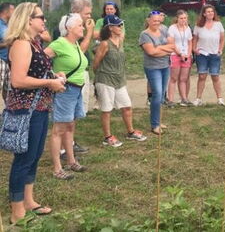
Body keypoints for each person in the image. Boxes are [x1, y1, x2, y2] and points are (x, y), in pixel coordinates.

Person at [4, 2, 65, 224]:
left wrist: (53, 74)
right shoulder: (21, 44)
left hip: (39, 107)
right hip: (25, 110)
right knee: (24, 158)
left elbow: (35, 71)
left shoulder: (35, 43)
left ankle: (29, 201)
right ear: (28, 20)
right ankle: (17, 211)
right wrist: (49, 82)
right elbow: (18, 80)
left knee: (35, 155)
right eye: (41, 17)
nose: (45, 20)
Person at [45, 13, 89, 180]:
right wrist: (53, 75)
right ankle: (57, 168)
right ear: (69, 28)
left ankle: (71, 161)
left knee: (70, 126)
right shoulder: (60, 43)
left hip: (76, 90)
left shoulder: (75, 43)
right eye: (80, 25)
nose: (82, 27)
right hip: (65, 91)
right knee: (59, 129)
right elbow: (40, 59)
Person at [93, 15, 146, 146]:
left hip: (119, 80)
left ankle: (130, 132)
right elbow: (96, 64)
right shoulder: (105, 44)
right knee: (107, 109)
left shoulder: (120, 40)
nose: (121, 27)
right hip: (105, 79)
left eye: (121, 25)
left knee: (127, 106)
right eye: (118, 25)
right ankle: (108, 137)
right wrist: (101, 77)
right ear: (110, 28)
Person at [139, 10, 177, 135]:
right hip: (152, 67)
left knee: (161, 95)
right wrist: (164, 49)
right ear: (148, 21)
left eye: (158, 21)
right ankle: (154, 124)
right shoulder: (144, 35)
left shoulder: (164, 29)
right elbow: (151, 52)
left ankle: (158, 120)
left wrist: (159, 48)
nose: (156, 23)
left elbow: (172, 46)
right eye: (154, 21)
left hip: (165, 65)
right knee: (157, 94)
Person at [192, 5, 225, 106]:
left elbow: (222, 39)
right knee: (202, 76)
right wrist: (194, 49)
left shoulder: (218, 24)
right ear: (204, 14)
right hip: (202, 54)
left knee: (215, 76)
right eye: (208, 12)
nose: (210, 13)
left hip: (214, 54)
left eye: (212, 11)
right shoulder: (198, 25)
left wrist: (220, 49)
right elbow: (195, 39)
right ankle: (198, 98)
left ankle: (220, 98)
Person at [167, 9, 193, 106]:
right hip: (175, 55)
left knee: (183, 78)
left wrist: (188, 54)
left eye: (185, 18)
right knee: (174, 78)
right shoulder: (172, 28)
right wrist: (180, 54)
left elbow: (190, 42)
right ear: (177, 18)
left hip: (186, 56)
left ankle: (184, 98)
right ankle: (171, 100)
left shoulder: (188, 28)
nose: (183, 20)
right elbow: (171, 43)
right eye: (181, 18)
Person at [0, 2, 15, 102]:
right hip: (0, 61)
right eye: (13, 10)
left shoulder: (7, 25)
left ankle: (6, 113)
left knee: (8, 90)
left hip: (7, 62)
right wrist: (7, 44)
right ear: (6, 12)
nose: (14, 13)